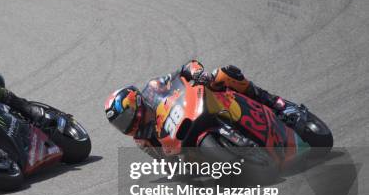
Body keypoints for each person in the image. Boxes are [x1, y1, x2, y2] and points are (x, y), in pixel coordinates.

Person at [104, 60, 300, 155]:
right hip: (190, 149)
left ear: (136, 103)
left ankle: (277, 104)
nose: (126, 124)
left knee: (223, 75)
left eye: (125, 116)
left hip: (195, 105)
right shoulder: (142, 140)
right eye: (120, 124)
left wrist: (198, 73)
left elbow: (183, 70)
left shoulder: (153, 90)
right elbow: (164, 163)